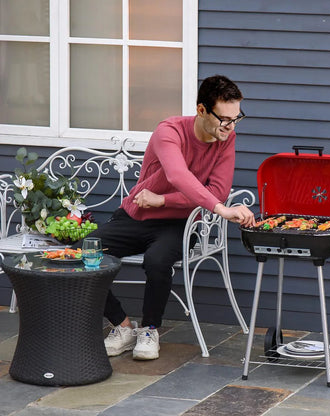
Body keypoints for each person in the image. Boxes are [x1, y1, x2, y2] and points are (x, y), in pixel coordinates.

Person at [74, 75, 255, 361]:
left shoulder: (226, 139)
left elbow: (217, 190)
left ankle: (149, 329)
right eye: (225, 119)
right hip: (137, 216)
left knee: (157, 261)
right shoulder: (169, 131)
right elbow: (178, 175)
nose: (230, 126)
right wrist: (220, 208)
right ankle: (121, 326)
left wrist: (164, 200)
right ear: (201, 110)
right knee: (84, 252)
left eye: (236, 118)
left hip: (180, 222)